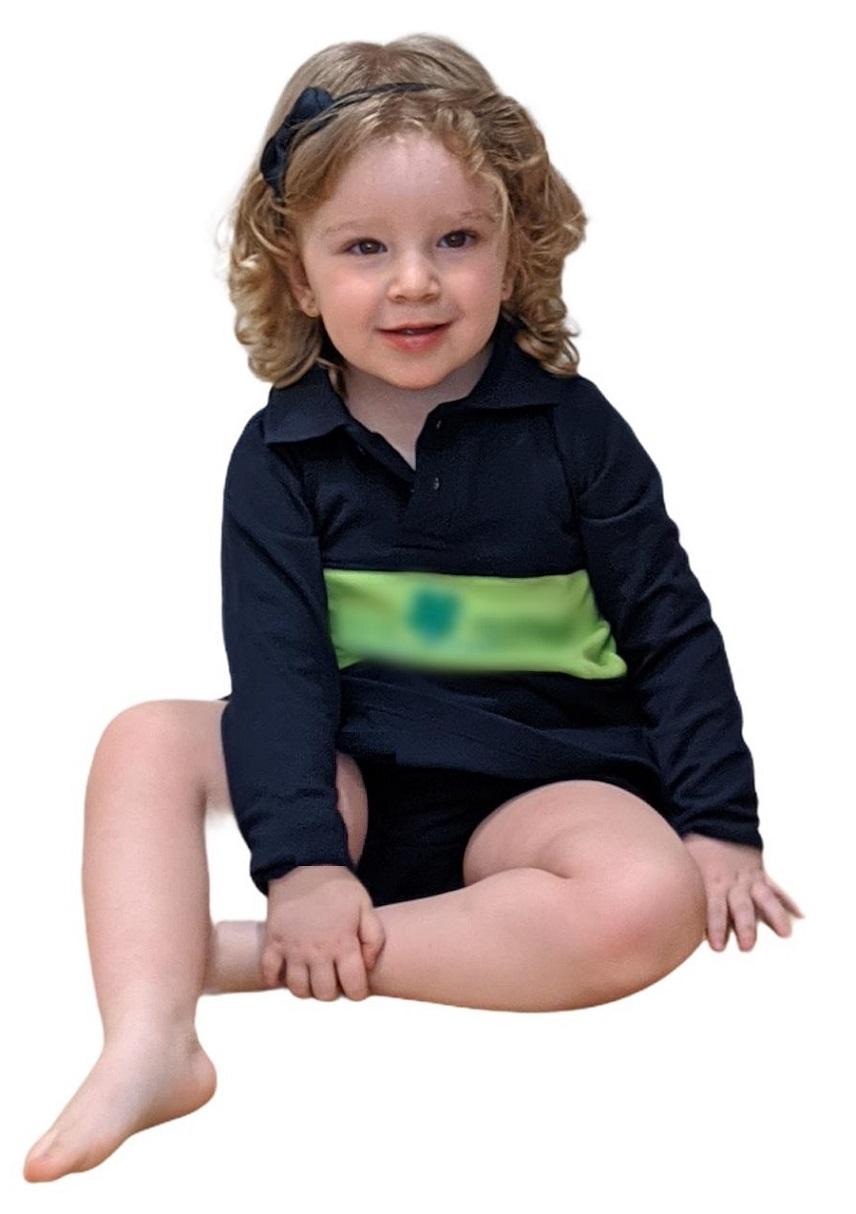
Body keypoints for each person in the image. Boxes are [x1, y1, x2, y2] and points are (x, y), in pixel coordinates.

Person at [23, 32, 804, 1185]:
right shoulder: (279, 457)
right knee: (142, 735)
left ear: (513, 247)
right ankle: (150, 1036)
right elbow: (280, 669)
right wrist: (303, 862)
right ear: (298, 273)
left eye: (455, 240)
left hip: (543, 788)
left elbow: (670, 628)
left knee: (655, 896)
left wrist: (719, 821)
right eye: (364, 247)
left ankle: (240, 958)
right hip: (348, 773)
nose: (414, 282)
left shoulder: (575, 430)